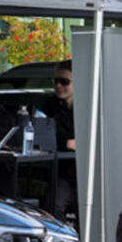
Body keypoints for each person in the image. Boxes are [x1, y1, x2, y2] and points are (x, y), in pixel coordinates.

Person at [36, 60, 78, 212]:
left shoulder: (90, 107)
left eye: (64, 82)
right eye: (56, 81)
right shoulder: (49, 106)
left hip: (86, 173)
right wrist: (66, 143)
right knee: (55, 203)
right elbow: (41, 135)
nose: (59, 86)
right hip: (61, 172)